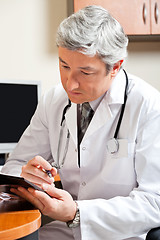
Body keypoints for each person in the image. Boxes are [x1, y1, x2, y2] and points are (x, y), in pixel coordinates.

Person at [2, 5, 160, 240]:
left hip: (120, 234)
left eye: (85, 72)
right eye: (64, 66)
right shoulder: (54, 100)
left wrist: (77, 213)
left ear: (115, 67)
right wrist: (27, 176)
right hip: (61, 232)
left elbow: (154, 202)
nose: (70, 84)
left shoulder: (147, 105)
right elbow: (13, 166)